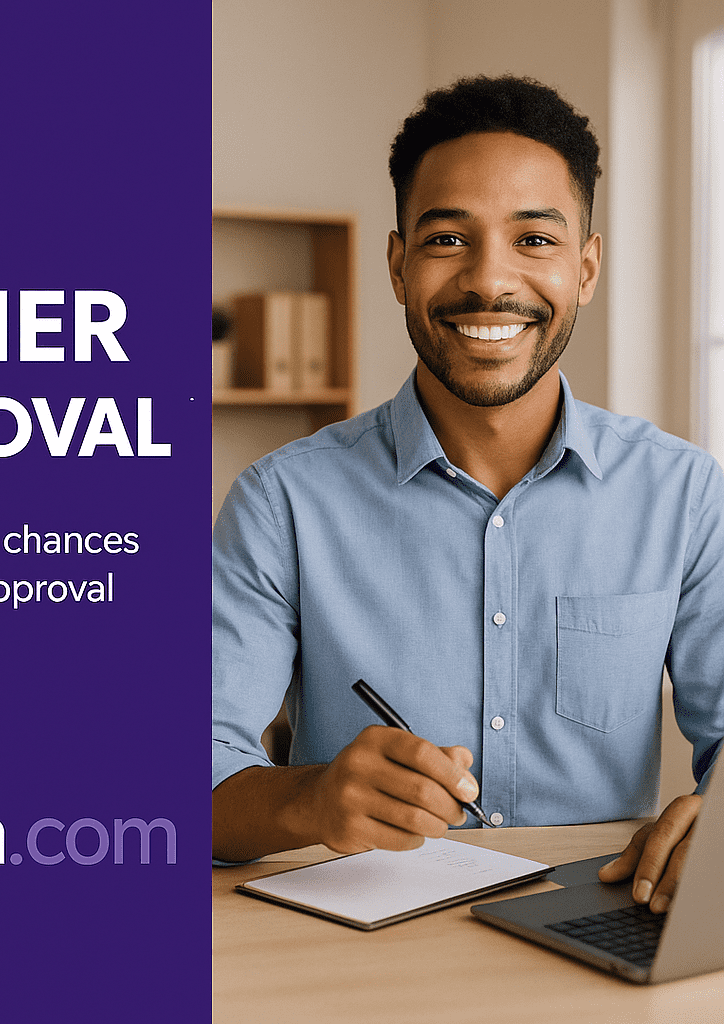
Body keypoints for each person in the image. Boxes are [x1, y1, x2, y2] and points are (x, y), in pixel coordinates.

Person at [212, 75, 724, 919]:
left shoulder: (685, 494)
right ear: (398, 264)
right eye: (447, 239)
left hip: (598, 927)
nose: (490, 281)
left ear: (585, 268)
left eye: (534, 239)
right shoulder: (283, 503)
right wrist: (307, 801)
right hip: (359, 944)